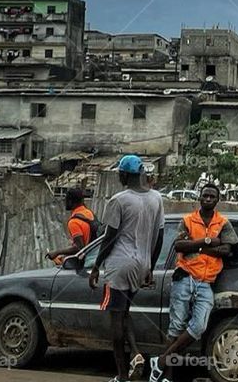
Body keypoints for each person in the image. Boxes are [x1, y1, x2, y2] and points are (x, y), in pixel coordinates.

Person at [149, 183, 237, 382]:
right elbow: (179, 245)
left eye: (211, 197)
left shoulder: (223, 223)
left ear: (217, 200)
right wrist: (206, 242)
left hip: (206, 282)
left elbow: (227, 250)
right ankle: (167, 377)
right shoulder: (188, 220)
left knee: (198, 326)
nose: (207, 199)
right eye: (205, 196)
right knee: (176, 326)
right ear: (200, 198)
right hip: (184, 277)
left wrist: (195, 247)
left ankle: (161, 362)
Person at [89, 155, 164, 382]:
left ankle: (121, 376)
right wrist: (150, 265)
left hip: (119, 264)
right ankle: (137, 354)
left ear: (123, 175)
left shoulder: (119, 200)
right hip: (142, 263)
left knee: (115, 321)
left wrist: (95, 266)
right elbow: (159, 236)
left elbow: (109, 237)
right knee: (125, 312)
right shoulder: (156, 198)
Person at [46, 188, 97, 264]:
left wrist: (57, 252)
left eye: (66, 200)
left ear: (70, 201)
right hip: (95, 256)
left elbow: (79, 248)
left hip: (87, 262)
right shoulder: (89, 213)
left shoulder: (74, 222)